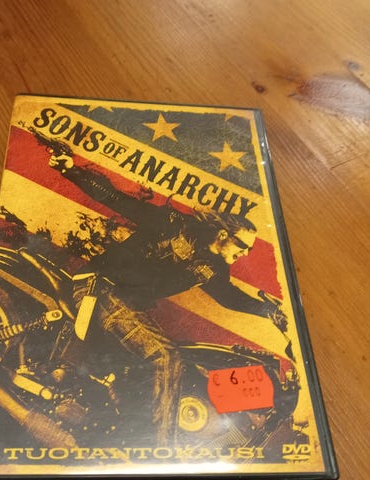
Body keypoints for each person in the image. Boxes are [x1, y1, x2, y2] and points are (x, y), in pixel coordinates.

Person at [49, 154, 285, 444]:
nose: (245, 253)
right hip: (100, 287)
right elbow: (119, 200)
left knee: (148, 369)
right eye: (243, 245)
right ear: (223, 234)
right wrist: (72, 171)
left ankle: (122, 431)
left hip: (126, 302)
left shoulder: (213, 266)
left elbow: (228, 297)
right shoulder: (174, 225)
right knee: (165, 356)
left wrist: (269, 310)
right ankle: (161, 446)